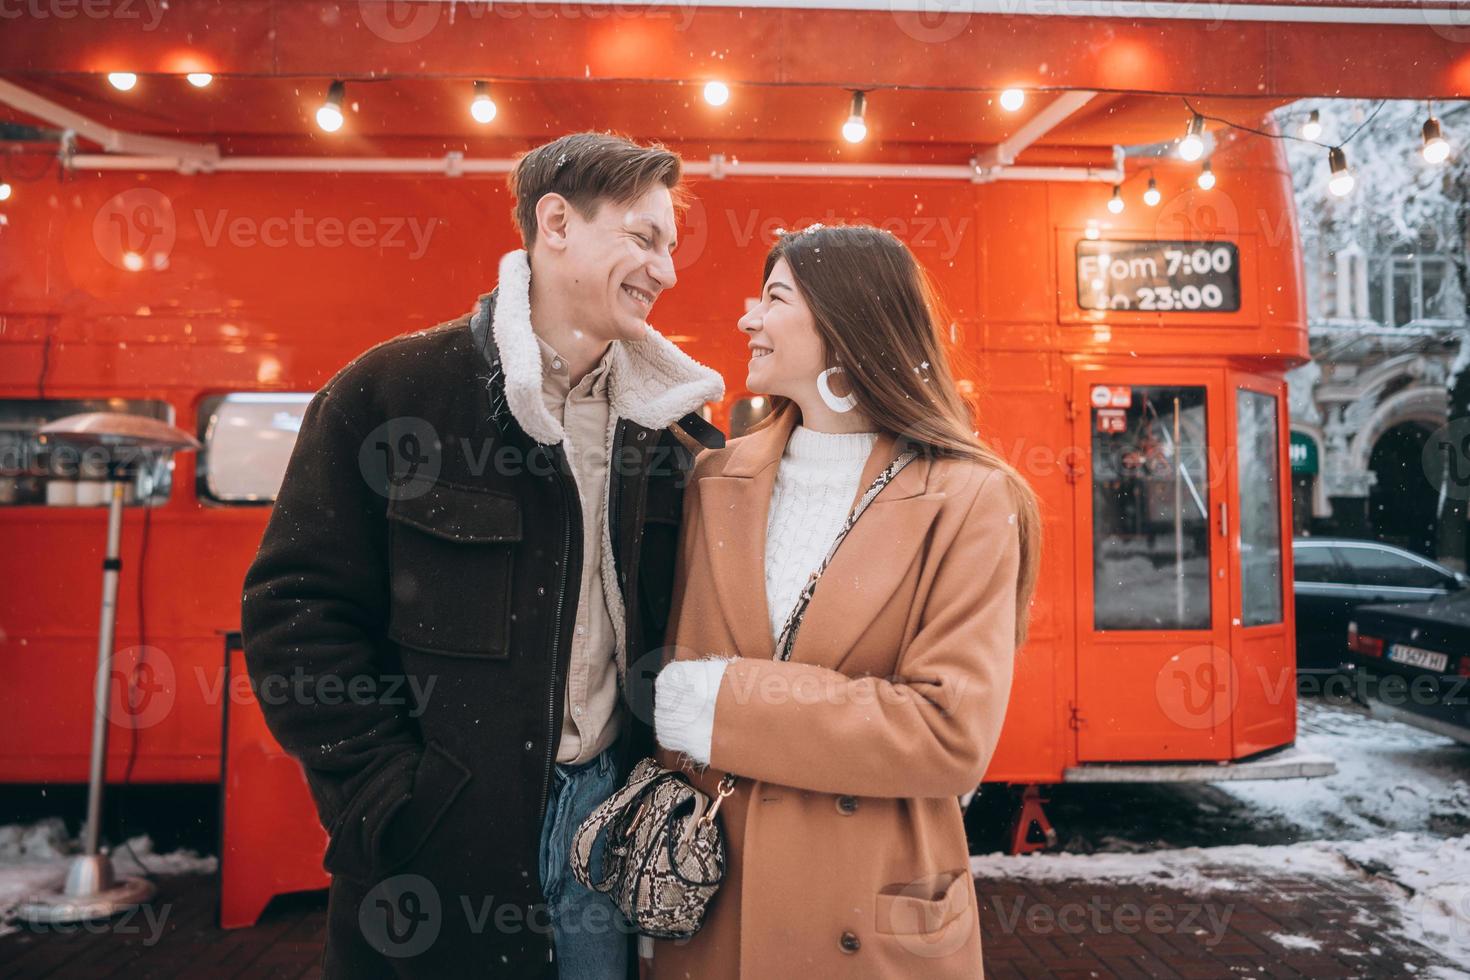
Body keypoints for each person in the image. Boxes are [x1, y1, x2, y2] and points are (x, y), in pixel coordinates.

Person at [241, 131, 725, 979]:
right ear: (556, 222)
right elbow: (296, 610)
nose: (666, 271)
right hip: (438, 848)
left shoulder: (675, 437)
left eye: (671, 249)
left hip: (604, 837)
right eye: (644, 238)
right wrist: (386, 796)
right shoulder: (390, 395)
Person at [650, 224, 1042, 978]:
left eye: (773, 298)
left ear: (845, 322)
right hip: (715, 915)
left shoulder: (969, 499)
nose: (747, 319)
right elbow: (673, 708)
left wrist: (725, 704)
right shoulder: (714, 481)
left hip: (870, 914)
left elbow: (948, 733)